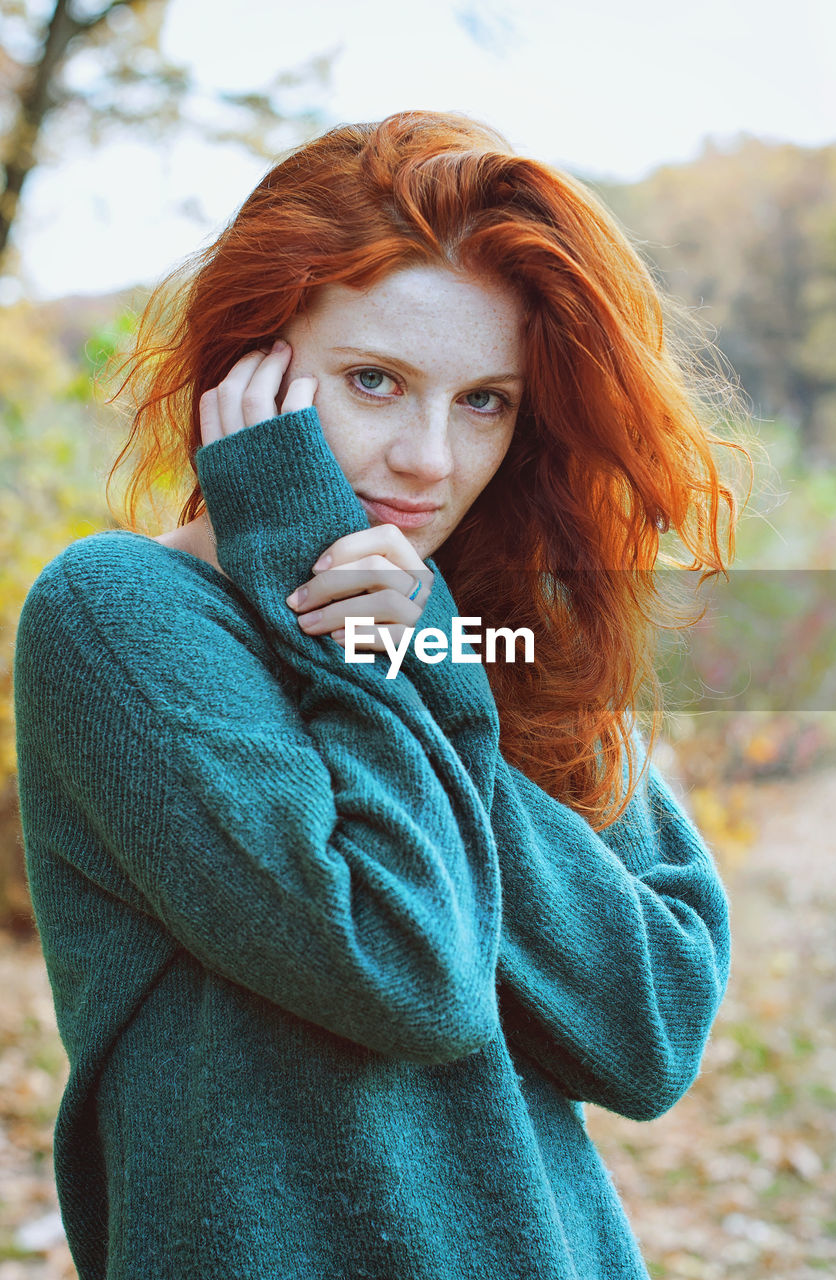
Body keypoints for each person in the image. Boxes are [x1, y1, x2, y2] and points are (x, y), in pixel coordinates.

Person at [14, 109, 752, 1280]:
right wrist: (367, 643)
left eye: (484, 402)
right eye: (374, 380)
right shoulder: (118, 615)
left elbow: (654, 1025)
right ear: (250, 365)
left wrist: (434, 661)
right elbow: (408, 971)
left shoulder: (500, 626)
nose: (429, 458)